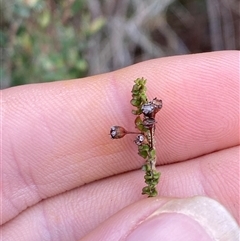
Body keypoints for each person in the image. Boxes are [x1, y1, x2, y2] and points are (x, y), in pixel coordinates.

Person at [2, 51, 239, 240]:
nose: (149, 110)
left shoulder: (147, 123)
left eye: (151, 109)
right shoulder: (143, 126)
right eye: (148, 109)